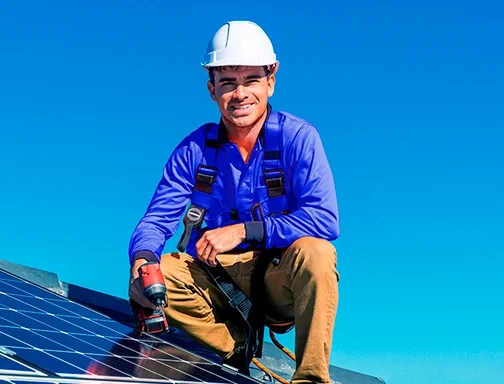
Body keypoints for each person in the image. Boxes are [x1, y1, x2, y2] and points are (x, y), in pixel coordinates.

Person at [128, 20, 340, 384]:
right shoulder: (194, 149)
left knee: (317, 254)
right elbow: (156, 220)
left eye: (251, 80)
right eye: (227, 82)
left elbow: (324, 219)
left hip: (277, 276)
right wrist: (142, 262)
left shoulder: (298, 138)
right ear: (212, 90)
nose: (239, 93)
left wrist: (243, 231)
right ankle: (236, 346)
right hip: (217, 279)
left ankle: (310, 378)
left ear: (271, 80)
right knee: (163, 270)